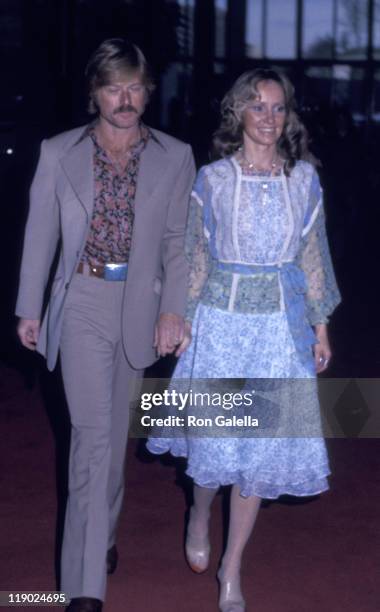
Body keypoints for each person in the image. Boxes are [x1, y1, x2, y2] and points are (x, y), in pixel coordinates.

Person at [147, 68, 340, 612]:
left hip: (281, 328)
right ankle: (199, 511)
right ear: (238, 113)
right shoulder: (212, 179)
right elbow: (193, 255)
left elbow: (313, 256)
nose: (268, 118)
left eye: (278, 109)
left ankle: (232, 569)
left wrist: (320, 325)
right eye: (257, 107)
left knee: (257, 453)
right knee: (215, 443)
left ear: (289, 117)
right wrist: (180, 318)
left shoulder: (304, 179)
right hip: (220, 324)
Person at [16, 38, 195, 612]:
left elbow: (178, 241)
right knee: (91, 442)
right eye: (114, 86)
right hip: (84, 300)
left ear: (148, 92)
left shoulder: (175, 155)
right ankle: (82, 586)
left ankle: (103, 536)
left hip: (142, 303)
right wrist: (29, 306)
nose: (126, 99)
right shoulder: (58, 151)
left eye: (136, 87)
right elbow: (40, 232)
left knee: (114, 444)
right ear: (94, 92)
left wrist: (175, 308)